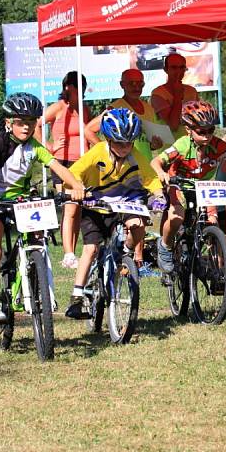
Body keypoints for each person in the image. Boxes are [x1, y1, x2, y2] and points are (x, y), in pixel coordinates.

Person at [0, 93, 85, 323]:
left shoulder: (35, 146)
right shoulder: (1, 142)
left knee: (39, 240)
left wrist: (77, 185)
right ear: (9, 123)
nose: (26, 127)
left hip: (21, 199)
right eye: (21, 122)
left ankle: (42, 286)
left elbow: (57, 167)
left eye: (31, 122)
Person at [64, 108, 155, 319]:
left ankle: (125, 251)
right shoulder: (97, 152)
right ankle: (77, 296)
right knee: (91, 248)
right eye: (119, 143)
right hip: (95, 206)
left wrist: (158, 195)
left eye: (129, 143)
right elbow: (74, 172)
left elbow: (150, 177)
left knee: (138, 226)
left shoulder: (135, 156)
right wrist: (77, 188)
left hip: (124, 204)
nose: (125, 148)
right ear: (107, 139)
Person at [151, 100, 226, 274]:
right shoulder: (182, 145)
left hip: (204, 187)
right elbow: (156, 161)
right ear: (189, 130)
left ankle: (216, 269)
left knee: (213, 222)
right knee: (176, 217)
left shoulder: (217, 145)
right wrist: (161, 172)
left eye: (211, 130)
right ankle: (165, 246)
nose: (207, 135)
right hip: (180, 183)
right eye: (201, 131)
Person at [86, 69, 165, 276]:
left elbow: (150, 138)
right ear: (122, 84)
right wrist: (106, 151)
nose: (136, 86)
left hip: (143, 167)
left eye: (139, 82)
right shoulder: (116, 107)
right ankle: (130, 261)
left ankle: (136, 262)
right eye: (131, 83)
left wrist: (155, 142)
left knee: (141, 218)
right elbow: (88, 129)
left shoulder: (147, 107)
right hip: (121, 172)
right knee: (126, 217)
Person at [42, 71, 92, 269]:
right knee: (69, 207)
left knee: (79, 208)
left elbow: (88, 132)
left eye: (79, 87)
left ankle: (73, 250)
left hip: (82, 162)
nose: (74, 91)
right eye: (70, 87)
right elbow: (36, 125)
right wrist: (49, 146)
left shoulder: (84, 108)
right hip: (62, 163)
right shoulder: (59, 107)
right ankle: (68, 254)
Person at [150, 52, 198, 140]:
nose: (178, 71)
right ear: (166, 70)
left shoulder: (192, 91)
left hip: (192, 145)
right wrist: (177, 96)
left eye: (181, 67)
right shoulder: (158, 94)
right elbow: (173, 126)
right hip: (171, 148)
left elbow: (199, 120)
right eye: (174, 67)